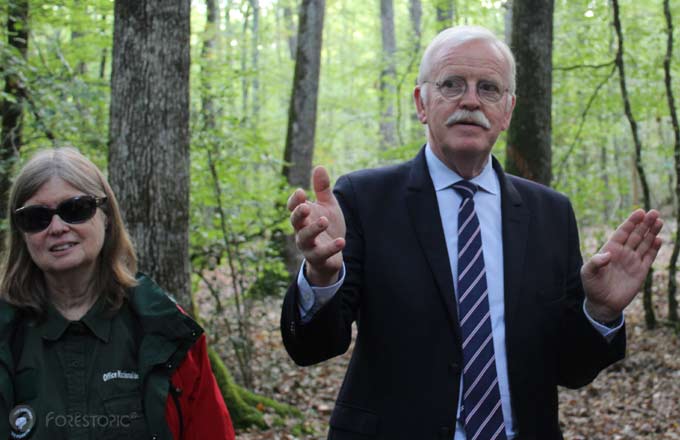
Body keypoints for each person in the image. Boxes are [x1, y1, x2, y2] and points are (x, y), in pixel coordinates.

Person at [281, 25, 663, 440]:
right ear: (421, 103)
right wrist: (322, 277)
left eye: (488, 88)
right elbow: (313, 347)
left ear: (508, 110)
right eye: (451, 84)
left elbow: (571, 370)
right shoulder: (364, 199)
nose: (470, 100)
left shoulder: (550, 213)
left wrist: (600, 311)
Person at [0, 147, 236, 440]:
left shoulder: (166, 330)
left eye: (75, 209)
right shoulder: (6, 333)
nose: (58, 227)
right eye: (37, 217)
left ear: (107, 216)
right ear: (21, 233)